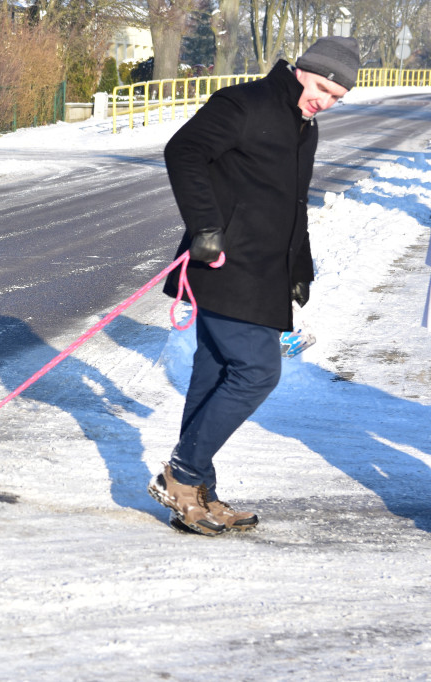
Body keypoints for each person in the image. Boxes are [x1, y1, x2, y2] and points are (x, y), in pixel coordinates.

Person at [147, 37, 361, 535]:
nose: (325, 101)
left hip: (265, 270)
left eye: (337, 97)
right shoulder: (244, 103)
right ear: (303, 70)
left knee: (215, 372)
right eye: (323, 88)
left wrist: (299, 269)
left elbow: (293, 203)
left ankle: (197, 494)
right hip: (224, 262)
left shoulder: (303, 127)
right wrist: (204, 226)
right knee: (257, 371)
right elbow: (184, 150)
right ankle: (183, 474)